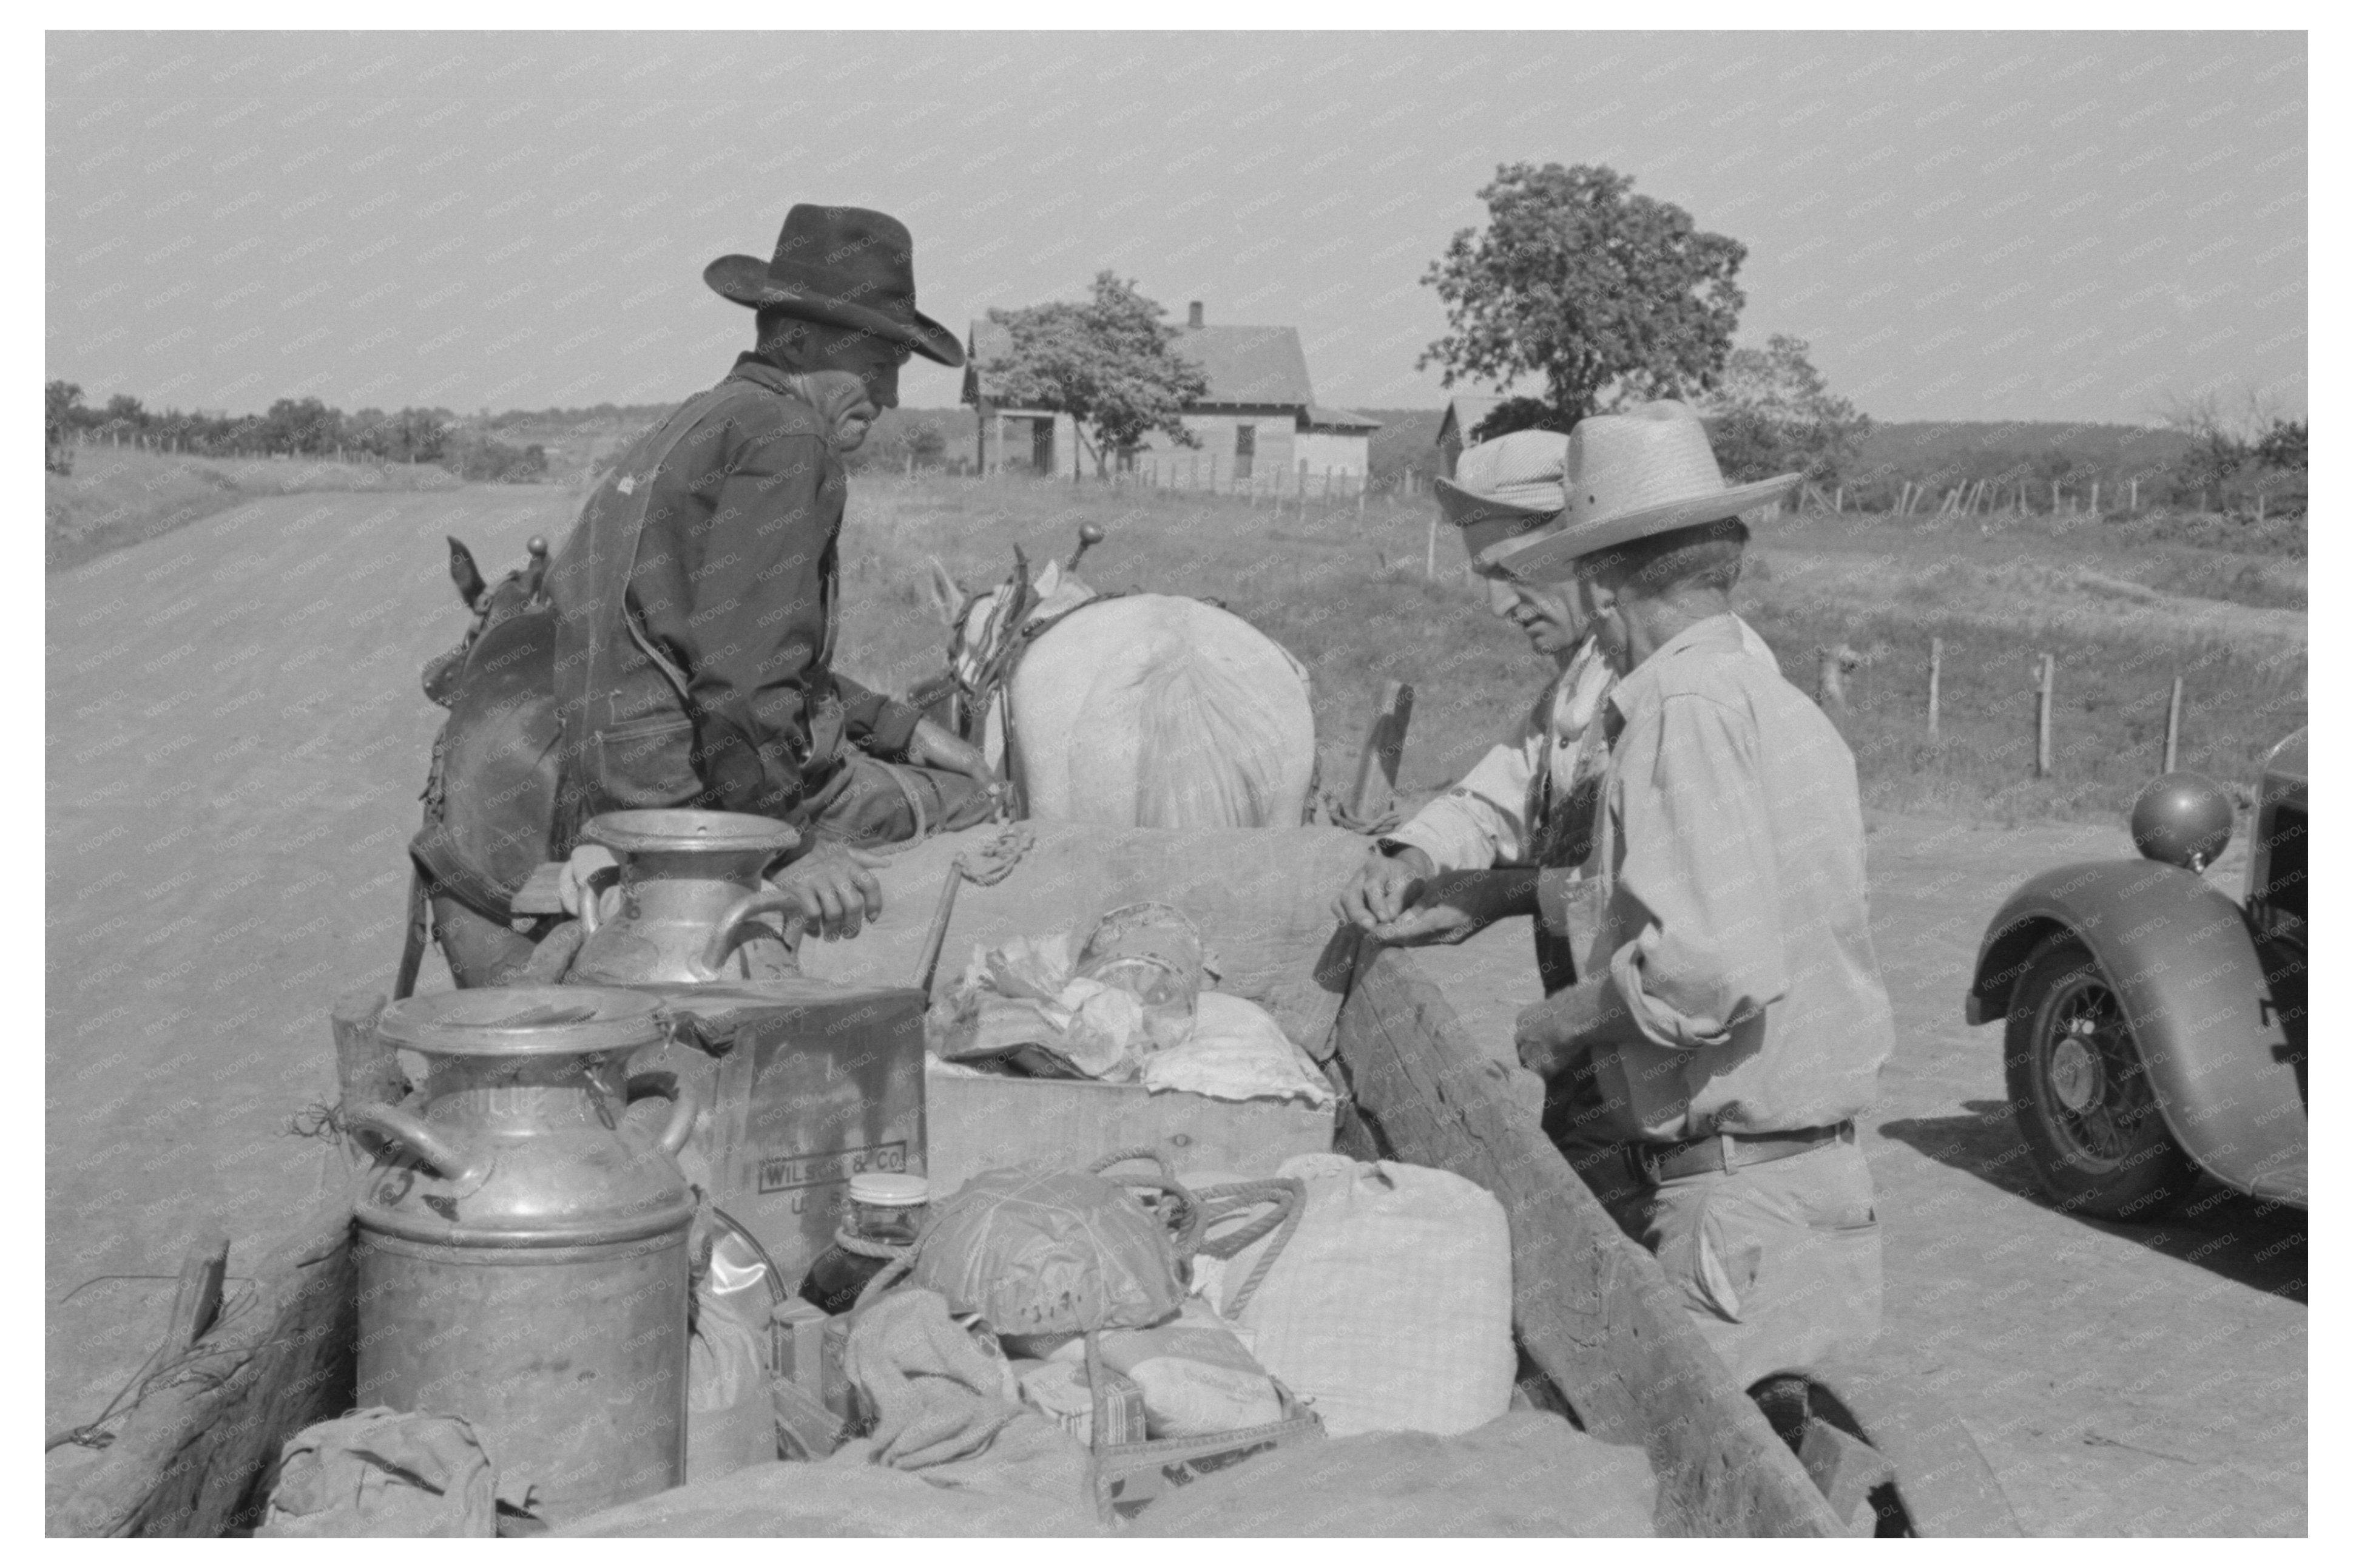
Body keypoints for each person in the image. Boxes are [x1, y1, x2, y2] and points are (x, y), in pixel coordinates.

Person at [1376, 401, 1895, 1391]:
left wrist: (1564, 1019)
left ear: (1604, 589)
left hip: (1733, 1198)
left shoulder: (1676, 710)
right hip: (1805, 1184)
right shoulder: (1770, 705)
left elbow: (1704, 969)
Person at [543, 203, 999, 942]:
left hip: (611, 779)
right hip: (691, 794)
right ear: (800, 341)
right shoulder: (788, 439)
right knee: (975, 800)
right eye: (877, 367)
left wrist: (897, 726)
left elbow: (708, 646)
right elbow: (741, 680)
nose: (887, 398)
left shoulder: (695, 423)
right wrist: (785, 841)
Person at [1333, 430, 1779, 1001]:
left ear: (1590, 555)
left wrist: (1501, 896)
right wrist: (1413, 858)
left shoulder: (1707, 685)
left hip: (1677, 1046)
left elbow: (1690, 909)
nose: (1496, 605)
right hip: (1614, 1034)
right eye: (1485, 575)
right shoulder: (1586, 673)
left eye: (1514, 572)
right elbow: (1497, 803)